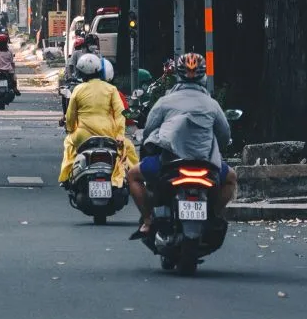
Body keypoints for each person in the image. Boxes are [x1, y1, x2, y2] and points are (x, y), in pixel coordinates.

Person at [126, 52, 237, 238]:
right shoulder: (212, 104)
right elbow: (225, 136)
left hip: (170, 163)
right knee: (231, 177)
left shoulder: (164, 102)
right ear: (203, 75)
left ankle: (147, 220)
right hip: (206, 165)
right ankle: (214, 215)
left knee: (132, 175)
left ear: (177, 74)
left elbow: (148, 131)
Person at [58, 53, 138, 187]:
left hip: (83, 135)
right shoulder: (111, 89)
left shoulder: (78, 89)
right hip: (108, 133)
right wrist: (119, 134)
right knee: (128, 147)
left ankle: (66, 177)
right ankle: (137, 177)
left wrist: (70, 129)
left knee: (69, 144)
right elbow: (120, 113)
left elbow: (71, 115)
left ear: (81, 73)